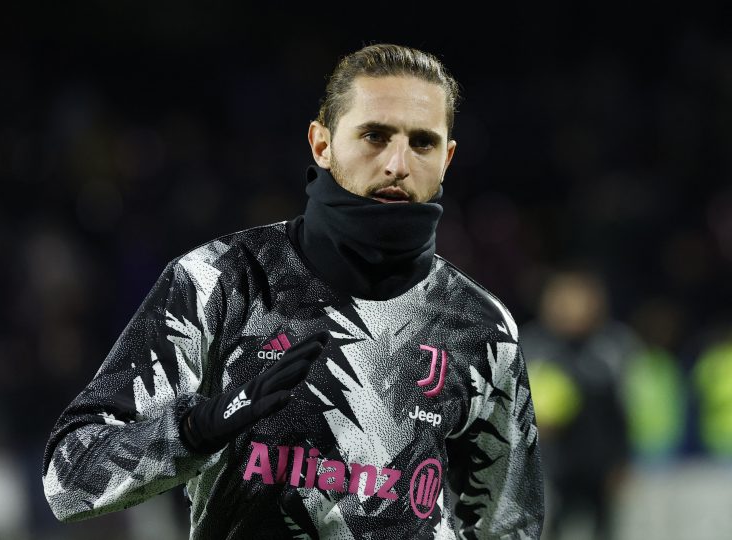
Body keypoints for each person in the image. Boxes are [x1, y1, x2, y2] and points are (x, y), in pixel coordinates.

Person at [41, 43, 544, 539]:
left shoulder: (481, 325)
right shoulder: (219, 281)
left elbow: (510, 525)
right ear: (321, 143)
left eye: (422, 142)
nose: (397, 163)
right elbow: (68, 481)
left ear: (447, 158)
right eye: (374, 135)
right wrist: (195, 430)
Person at [521, 266, 641, 540]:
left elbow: (626, 409)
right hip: (548, 469)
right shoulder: (530, 346)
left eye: (579, 297)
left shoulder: (614, 346)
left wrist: (623, 459)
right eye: (560, 298)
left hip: (600, 468)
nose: (569, 306)